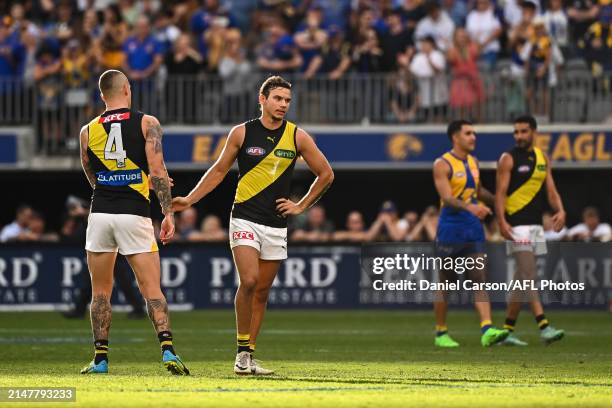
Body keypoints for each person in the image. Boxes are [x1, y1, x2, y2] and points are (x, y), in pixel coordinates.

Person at [172, 76, 334, 375]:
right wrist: (189, 200)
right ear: (262, 99)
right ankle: (242, 352)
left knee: (261, 292)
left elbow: (326, 174)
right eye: (278, 98)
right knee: (248, 281)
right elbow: (219, 170)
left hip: (276, 224)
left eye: (287, 100)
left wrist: (300, 206)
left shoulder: (297, 136)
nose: (283, 104)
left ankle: (246, 356)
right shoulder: (241, 133)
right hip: (244, 217)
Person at [78, 69, 189, 375]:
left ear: (103, 95)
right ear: (127, 89)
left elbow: (92, 175)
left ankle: (100, 359)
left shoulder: (87, 130)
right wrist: (168, 212)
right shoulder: (146, 122)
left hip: (100, 214)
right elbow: (157, 170)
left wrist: (115, 186)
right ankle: (167, 351)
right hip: (134, 214)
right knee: (151, 288)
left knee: (100, 292)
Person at [432, 120, 509, 348]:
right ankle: (441, 333)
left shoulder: (474, 162)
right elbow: (447, 198)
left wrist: (498, 202)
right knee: (446, 282)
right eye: (468, 133)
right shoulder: (442, 164)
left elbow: (477, 191)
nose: (473, 137)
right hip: (450, 228)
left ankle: (486, 329)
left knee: (478, 277)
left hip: (473, 228)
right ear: (455, 137)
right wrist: (472, 207)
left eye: (474, 133)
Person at [495, 114, 566, 346]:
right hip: (517, 226)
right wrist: (502, 221)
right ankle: (543, 326)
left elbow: (552, 190)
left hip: (535, 226)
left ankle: (507, 331)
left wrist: (561, 210)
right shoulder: (508, 158)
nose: (519, 136)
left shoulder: (542, 157)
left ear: (534, 132)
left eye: (523, 131)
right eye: (516, 132)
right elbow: (500, 193)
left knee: (520, 279)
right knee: (529, 275)